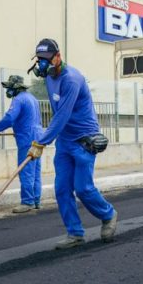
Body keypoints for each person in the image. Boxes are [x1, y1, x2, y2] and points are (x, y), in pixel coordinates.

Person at [26, 38, 117, 249]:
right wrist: (49, 138)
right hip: (65, 141)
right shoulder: (49, 78)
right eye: (39, 60)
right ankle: (75, 233)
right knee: (62, 188)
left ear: (58, 57)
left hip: (84, 139)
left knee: (83, 188)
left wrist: (41, 142)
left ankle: (109, 215)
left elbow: (63, 114)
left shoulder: (72, 79)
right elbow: (57, 113)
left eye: (46, 59)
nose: (42, 64)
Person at [0, 75, 43, 213]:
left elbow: (10, 118)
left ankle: (27, 202)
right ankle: (36, 200)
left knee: (26, 171)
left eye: (9, 87)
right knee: (35, 171)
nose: (8, 90)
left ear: (16, 87)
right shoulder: (32, 98)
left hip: (26, 138)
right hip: (38, 137)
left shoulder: (19, 99)